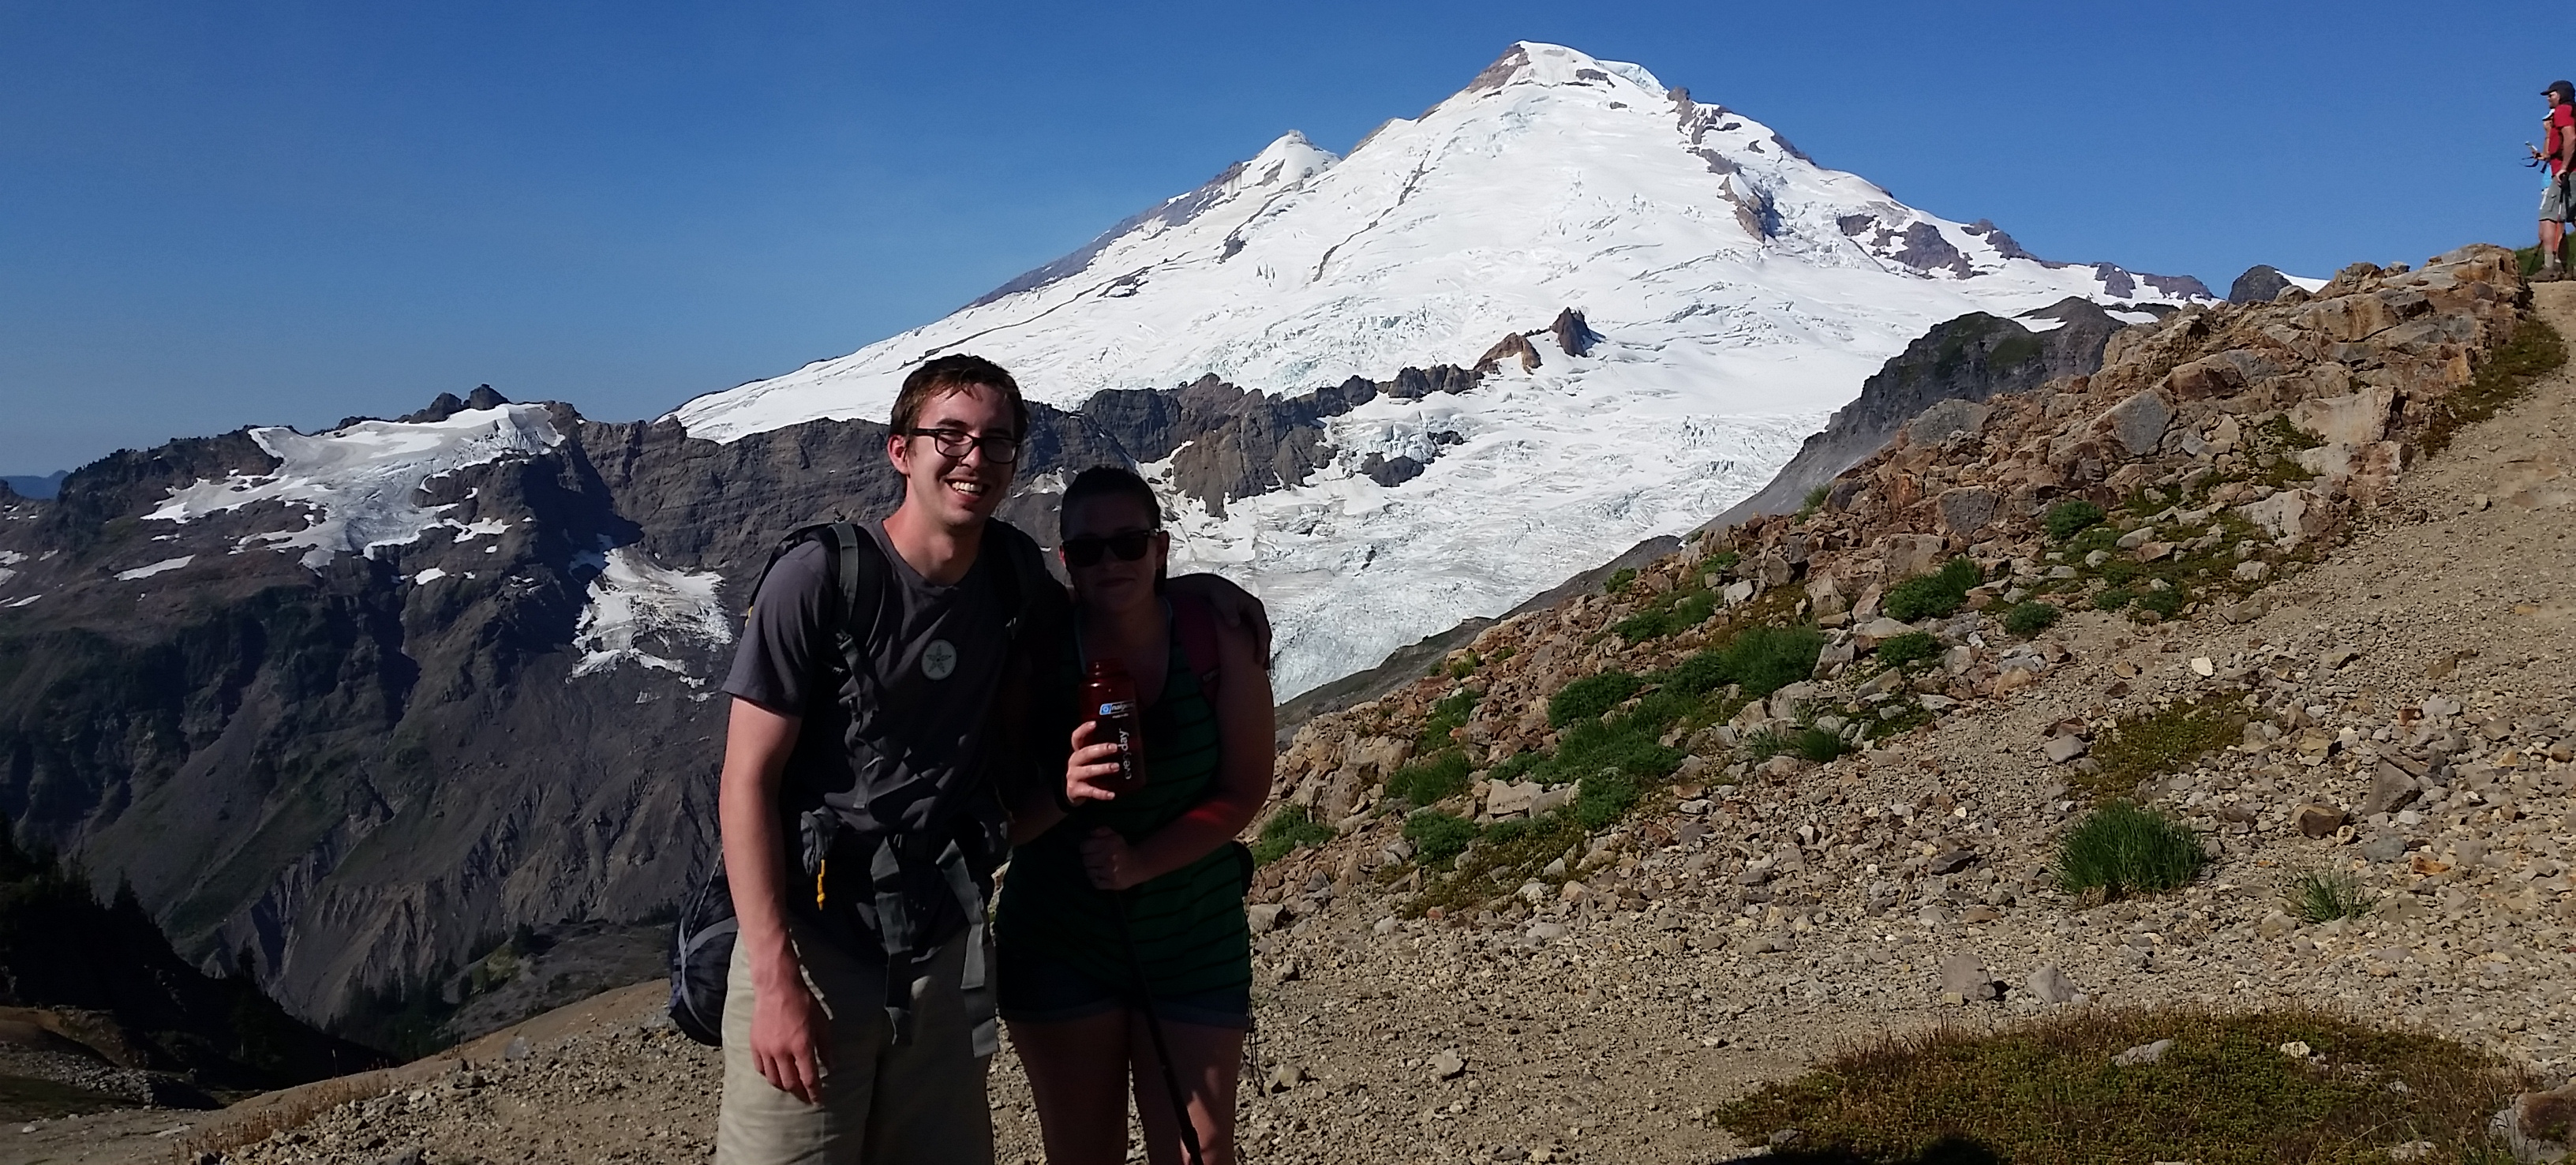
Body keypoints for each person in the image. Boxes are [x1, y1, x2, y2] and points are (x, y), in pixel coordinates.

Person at [712, 358, 1264, 1165]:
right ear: (900, 450)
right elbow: (746, 780)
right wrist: (773, 980)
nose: (974, 456)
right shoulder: (818, 580)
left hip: (939, 941)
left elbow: (1111, 599)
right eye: (951, 435)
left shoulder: (1009, 577)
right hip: (816, 942)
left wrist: (1198, 586)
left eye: (996, 442)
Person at [996, 466, 1275, 1165]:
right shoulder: (1039, 652)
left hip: (1192, 934)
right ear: (1066, 562)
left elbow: (1244, 790)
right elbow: (997, 825)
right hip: (1060, 939)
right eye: (1088, 550)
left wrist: (1142, 862)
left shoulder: (1216, 637)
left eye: (1129, 543)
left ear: (1160, 548)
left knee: (1200, 1152)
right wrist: (1063, 793)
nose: (1110, 561)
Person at [2534, 80, 2576, 280]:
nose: (2548, 98)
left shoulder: (2562, 111)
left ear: (2561, 94)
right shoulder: (2573, 110)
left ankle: (2550, 267)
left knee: (2548, 216)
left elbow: (2570, 137)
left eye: (2551, 94)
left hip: (2566, 172)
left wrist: (2564, 169)